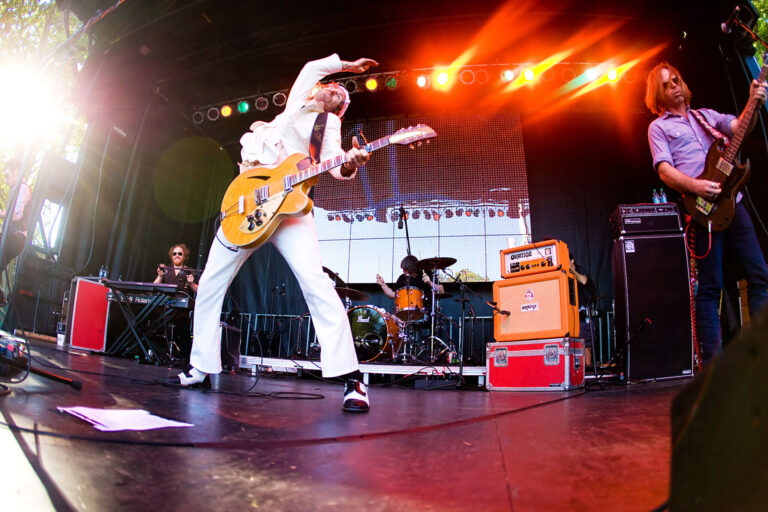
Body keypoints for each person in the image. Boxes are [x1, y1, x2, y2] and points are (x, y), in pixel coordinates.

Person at [164, 54, 378, 413]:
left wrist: (353, 164)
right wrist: (347, 65)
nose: (333, 91)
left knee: (315, 281)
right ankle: (200, 366)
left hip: (291, 207)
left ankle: (352, 378)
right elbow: (312, 68)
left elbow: (337, 166)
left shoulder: (327, 125)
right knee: (212, 279)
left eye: (340, 96)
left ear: (339, 108)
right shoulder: (298, 100)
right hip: (249, 201)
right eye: (331, 88)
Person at [645, 61, 768, 364]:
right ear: (658, 96)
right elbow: (664, 170)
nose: (674, 85)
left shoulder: (706, 117)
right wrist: (696, 186)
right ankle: (714, 368)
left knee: (760, 274)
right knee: (710, 287)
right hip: (702, 213)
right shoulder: (658, 128)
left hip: (733, 205)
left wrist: (753, 100)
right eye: (666, 84)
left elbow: (740, 127)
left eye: (676, 79)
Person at [154, 243, 199, 362]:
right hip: (165, 308)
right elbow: (154, 287)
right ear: (171, 256)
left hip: (182, 311)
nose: (177, 255)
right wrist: (159, 276)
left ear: (184, 256)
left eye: (180, 253)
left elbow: (198, 290)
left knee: (183, 329)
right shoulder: (166, 270)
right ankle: (160, 354)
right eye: (174, 254)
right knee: (154, 324)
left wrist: (191, 284)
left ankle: (184, 358)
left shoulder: (190, 271)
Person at [0, 158, 32, 307]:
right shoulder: (15, 190)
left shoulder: (22, 189)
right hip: (12, 235)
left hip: (17, 237)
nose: (5, 180)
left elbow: (17, 215)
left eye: (7, 175)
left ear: (16, 173)